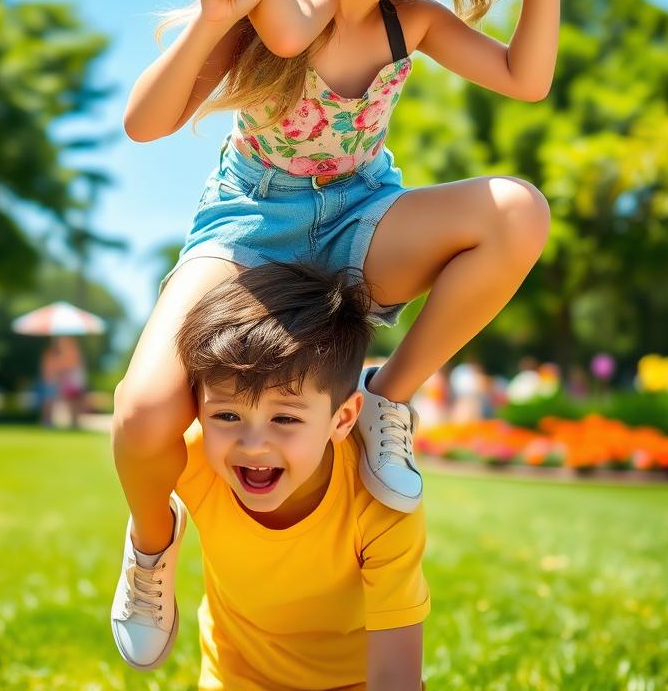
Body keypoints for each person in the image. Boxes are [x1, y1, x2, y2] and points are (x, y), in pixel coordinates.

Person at [101, 0, 620, 668]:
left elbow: (524, 79)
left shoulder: (410, 20)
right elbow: (147, 124)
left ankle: (388, 397)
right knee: (142, 417)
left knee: (519, 210)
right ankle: (150, 546)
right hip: (248, 231)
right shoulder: (277, 3)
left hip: (356, 221)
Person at [113, 262, 430, 690]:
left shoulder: (380, 505)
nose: (253, 444)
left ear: (343, 418)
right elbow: (138, 431)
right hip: (237, 677)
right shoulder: (194, 460)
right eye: (226, 415)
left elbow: (396, 677)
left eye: (284, 418)